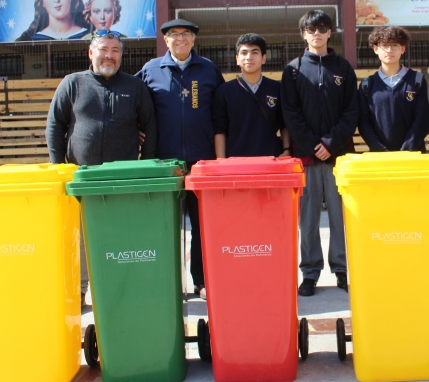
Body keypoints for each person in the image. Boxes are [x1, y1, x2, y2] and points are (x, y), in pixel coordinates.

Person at [46, 31, 157, 307]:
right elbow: (55, 126)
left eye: (116, 50)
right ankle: (83, 287)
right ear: (91, 52)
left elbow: (151, 127)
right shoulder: (72, 84)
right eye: (104, 49)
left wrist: (146, 168)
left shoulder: (134, 86)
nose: (110, 55)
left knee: (121, 233)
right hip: (81, 176)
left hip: (123, 178)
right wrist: (60, 169)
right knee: (82, 236)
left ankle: (121, 284)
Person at [136, 19, 224, 300]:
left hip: (202, 163)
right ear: (165, 40)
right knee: (165, 227)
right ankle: (168, 280)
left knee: (202, 227)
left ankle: (201, 281)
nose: (180, 39)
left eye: (185, 34)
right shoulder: (151, 70)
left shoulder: (208, 70)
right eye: (174, 35)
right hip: (165, 164)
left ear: (194, 40)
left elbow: (221, 112)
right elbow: (135, 106)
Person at [281, 9, 358, 297]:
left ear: (329, 32)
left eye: (322, 28)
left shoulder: (344, 68)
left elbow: (352, 111)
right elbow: (290, 112)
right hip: (308, 157)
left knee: (340, 217)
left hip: (339, 157)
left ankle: (341, 270)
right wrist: (315, 145)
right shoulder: (293, 69)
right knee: (308, 219)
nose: (317, 34)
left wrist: (331, 143)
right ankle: (310, 272)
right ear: (304, 34)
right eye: (311, 29)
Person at [213, 34, 291, 159]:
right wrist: (221, 161)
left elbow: (285, 123)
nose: (249, 57)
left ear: (264, 58)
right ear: (237, 59)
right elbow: (219, 130)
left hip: (271, 160)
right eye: (244, 53)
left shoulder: (277, 88)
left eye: (255, 52)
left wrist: (287, 149)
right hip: (236, 162)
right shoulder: (224, 91)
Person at [358, 26, 429, 152]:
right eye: (384, 45)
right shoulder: (366, 85)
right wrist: (379, 150)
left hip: (412, 156)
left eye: (395, 45)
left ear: (403, 49)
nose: (389, 50)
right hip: (379, 158)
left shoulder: (416, 80)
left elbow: (422, 119)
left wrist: (407, 150)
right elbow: (364, 122)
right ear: (375, 49)